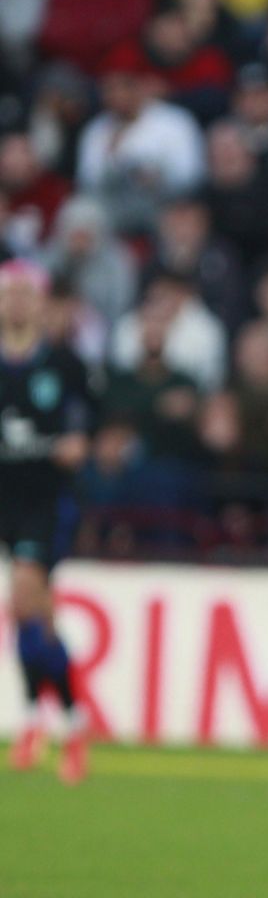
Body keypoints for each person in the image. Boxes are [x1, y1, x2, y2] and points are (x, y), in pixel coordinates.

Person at [1, 260, 95, 785]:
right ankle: (72, 723)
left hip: (46, 502)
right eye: (7, 293)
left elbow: (79, 441)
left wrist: (65, 446)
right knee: (36, 617)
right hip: (6, 501)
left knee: (22, 595)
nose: (15, 302)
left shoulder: (63, 364)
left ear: (41, 304)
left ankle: (34, 720)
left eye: (24, 293)